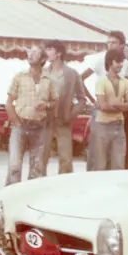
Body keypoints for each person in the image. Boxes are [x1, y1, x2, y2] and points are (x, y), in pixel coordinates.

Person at [80, 31, 128, 170]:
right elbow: (81, 78)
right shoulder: (100, 59)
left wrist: (121, 105)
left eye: (114, 42)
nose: (110, 45)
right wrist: (91, 99)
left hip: (118, 110)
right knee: (97, 153)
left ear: (122, 45)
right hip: (101, 107)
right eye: (108, 42)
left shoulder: (125, 64)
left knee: (116, 154)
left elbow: (126, 87)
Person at [6, 46, 57, 184]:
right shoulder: (19, 77)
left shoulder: (49, 79)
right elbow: (9, 102)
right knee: (14, 166)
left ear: (43, 59)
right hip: (20, 125)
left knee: (36, 169)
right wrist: (16, 122)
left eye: (34, 53)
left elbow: (55, 102)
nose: (30, 55)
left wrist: (46, 105)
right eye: (29, 52)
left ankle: (29, 200)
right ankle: (10, 197)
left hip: (39, 127)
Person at [42, 40, 86, 175]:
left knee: (65, 158)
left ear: (59, 53)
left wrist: (71, 114)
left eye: (49, 49)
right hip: (45, 119)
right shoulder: (43, 72)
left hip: (63, 119)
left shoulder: (71, 73)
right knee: (41, 156)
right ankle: (39, 185)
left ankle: (65, 187)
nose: (46, 52)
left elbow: (82, 99)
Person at [91, 48, 128, 171]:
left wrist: (114, 104)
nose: (121, 65)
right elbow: (102, 106)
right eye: (118, 61)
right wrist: (121, 106)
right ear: (110, 62)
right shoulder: (101, 82)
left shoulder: (125, 82)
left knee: (118, 164)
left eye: (122, 62)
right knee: (100, 164)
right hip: (103, 126)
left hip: (118, 125)